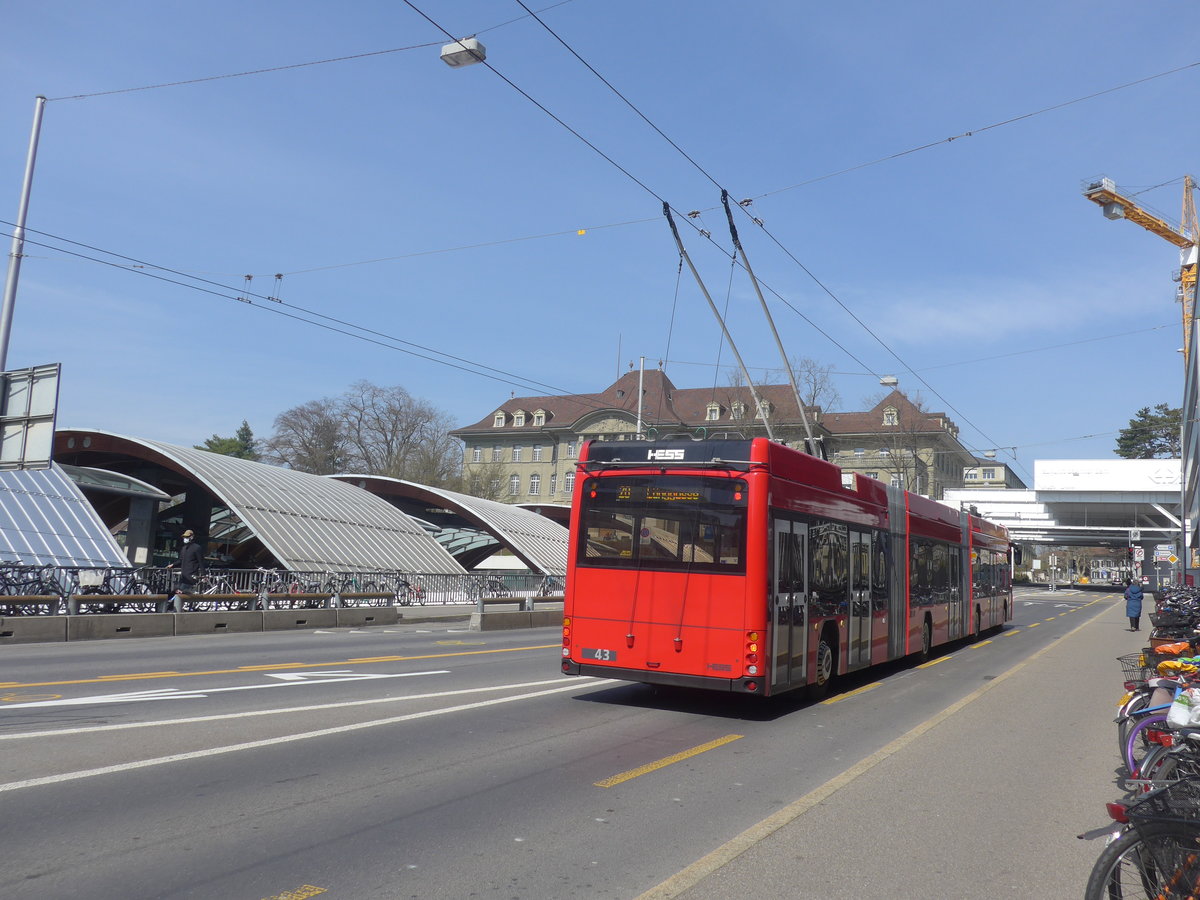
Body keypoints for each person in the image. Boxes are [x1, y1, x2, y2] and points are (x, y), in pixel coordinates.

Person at [167, 529, 204, 612]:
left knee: (181, 593)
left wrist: (203, 574)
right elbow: (180, 560)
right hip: (184, 575)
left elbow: (201, 562)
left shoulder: (197, 548)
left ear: (192, 537)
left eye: (187, 537)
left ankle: (171, 608)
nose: (185, 538)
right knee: (176, 591)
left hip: (191, 575)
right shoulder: (184, 548)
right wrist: (173, 565)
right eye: (184, 537)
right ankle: (170, 607)